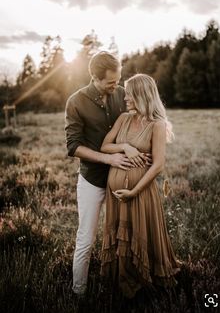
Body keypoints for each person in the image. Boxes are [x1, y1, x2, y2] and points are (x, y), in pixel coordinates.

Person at [65, 51, 149, 296]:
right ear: (95, 78)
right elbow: (73, 146)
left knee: (124, 235)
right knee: (86, 238)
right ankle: (78, 292)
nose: (117, 86)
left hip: (121, 178)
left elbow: (140, 123)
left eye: (119, 79)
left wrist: (140, 150)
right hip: (92, 180)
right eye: (111, 82)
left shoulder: (122, 94)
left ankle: (124, 284)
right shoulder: (76, 101)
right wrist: (108, 157)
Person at [100, 73, 182, 298]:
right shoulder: (124, 119)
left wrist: (134, 191)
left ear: (142, 95)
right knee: (121, 234)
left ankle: (144, 284)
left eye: (129, 94)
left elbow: (158, 166)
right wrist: (126, 147)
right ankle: (123, 282)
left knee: (141, 233)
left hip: (140, 192)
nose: (125, 98)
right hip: (116, 193)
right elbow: (105, 146)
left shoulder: (157, 124)